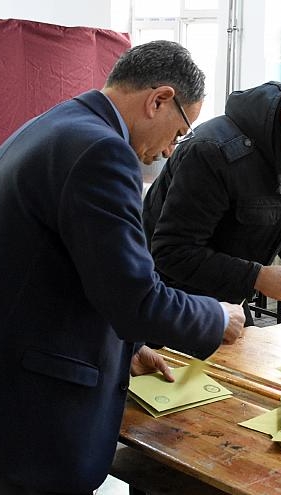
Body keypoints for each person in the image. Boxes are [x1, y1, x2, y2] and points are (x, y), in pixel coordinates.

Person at [0, 40, 245, 494]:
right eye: (180, 132)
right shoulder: (102, 153)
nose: (172, 150)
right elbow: (136, 298)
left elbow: (67, 270)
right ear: (159, 100)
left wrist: (127, 348)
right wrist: (216, 316)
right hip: (39, 411)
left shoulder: (52, 125)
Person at [142, 73, 281, 324]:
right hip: (168, 301)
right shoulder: (213, 153)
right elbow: (173, 252)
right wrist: (257, 277)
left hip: (228, 299)